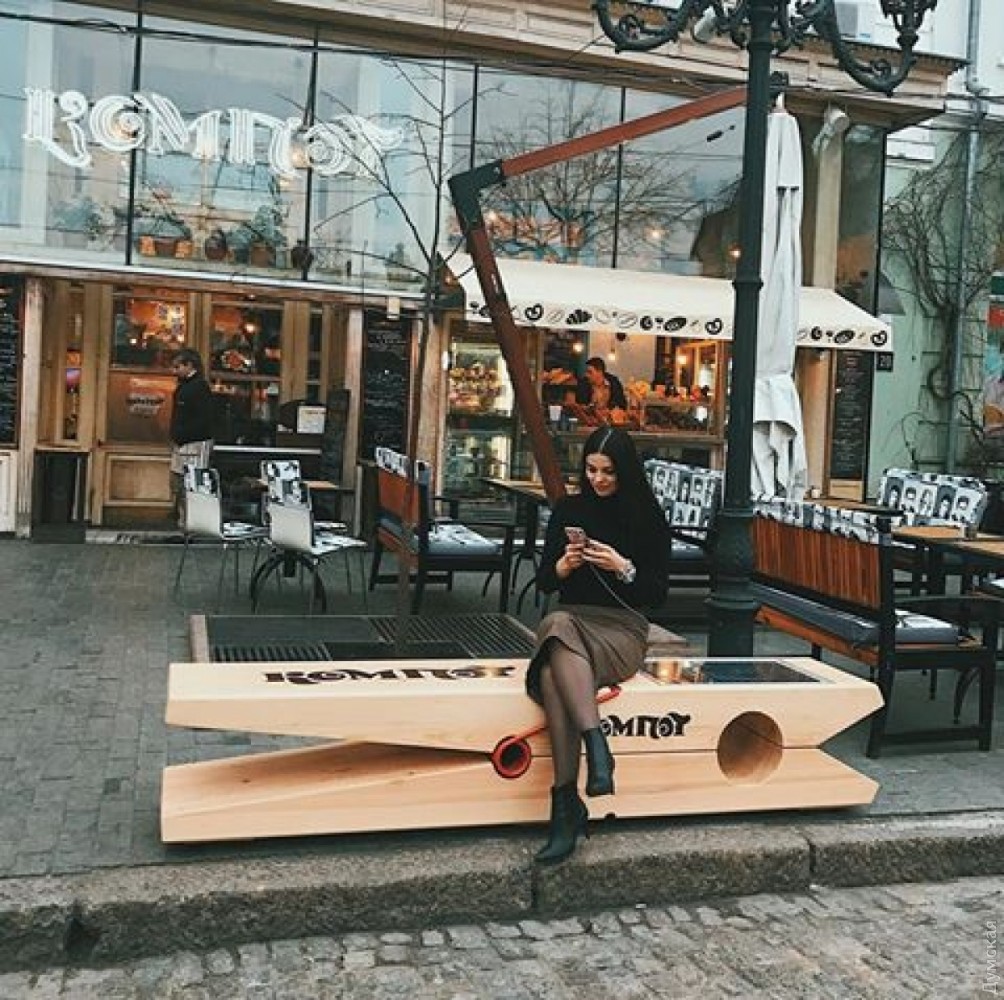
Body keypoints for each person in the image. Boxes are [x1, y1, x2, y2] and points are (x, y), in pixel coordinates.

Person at [528, 427, 671, 864]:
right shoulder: (570, 509)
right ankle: (590, 759)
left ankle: (566, 807)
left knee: (554, 645)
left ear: (624, 471)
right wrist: (564, 565)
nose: (598, 479)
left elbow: (657, 595)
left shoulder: (646, 516)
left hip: (621, 631)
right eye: (591, 470)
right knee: (556, 643)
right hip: (572, 626)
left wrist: (623, 567)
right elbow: (545, 582)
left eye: (608, 471)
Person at [169, 348, 215, 524]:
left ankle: (192, 522)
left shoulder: (198, 388)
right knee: (180, 483)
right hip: (185, 442)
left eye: (178, 366)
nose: (175, 371)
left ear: (189, 365)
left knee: (192, 484)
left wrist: (181, 434)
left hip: (194, 443)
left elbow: (204, 419)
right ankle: (185, 520)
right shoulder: (189, 386)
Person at [576, 356, 627, 423]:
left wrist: (610, 410)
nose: (587, 375)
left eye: (590, 372)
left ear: (600, 372)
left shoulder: (614, 383)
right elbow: (580, 405)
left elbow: (622, 404)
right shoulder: (583, 384)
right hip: (590, 422)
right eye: (586, 372)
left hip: (611, 421)